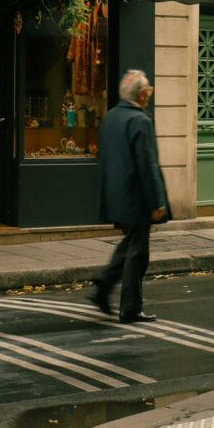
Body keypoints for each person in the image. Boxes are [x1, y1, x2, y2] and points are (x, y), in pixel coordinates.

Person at [90, 69, 169, 323]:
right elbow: (147, 164)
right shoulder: (140, 120)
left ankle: (103, 286)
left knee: (130, 244)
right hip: (136, 197)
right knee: (138, 253)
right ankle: (131, 308)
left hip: (114, 195)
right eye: (149, 91)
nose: (150, 95)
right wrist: (157, 201)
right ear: (142, 94)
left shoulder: (111, 116)